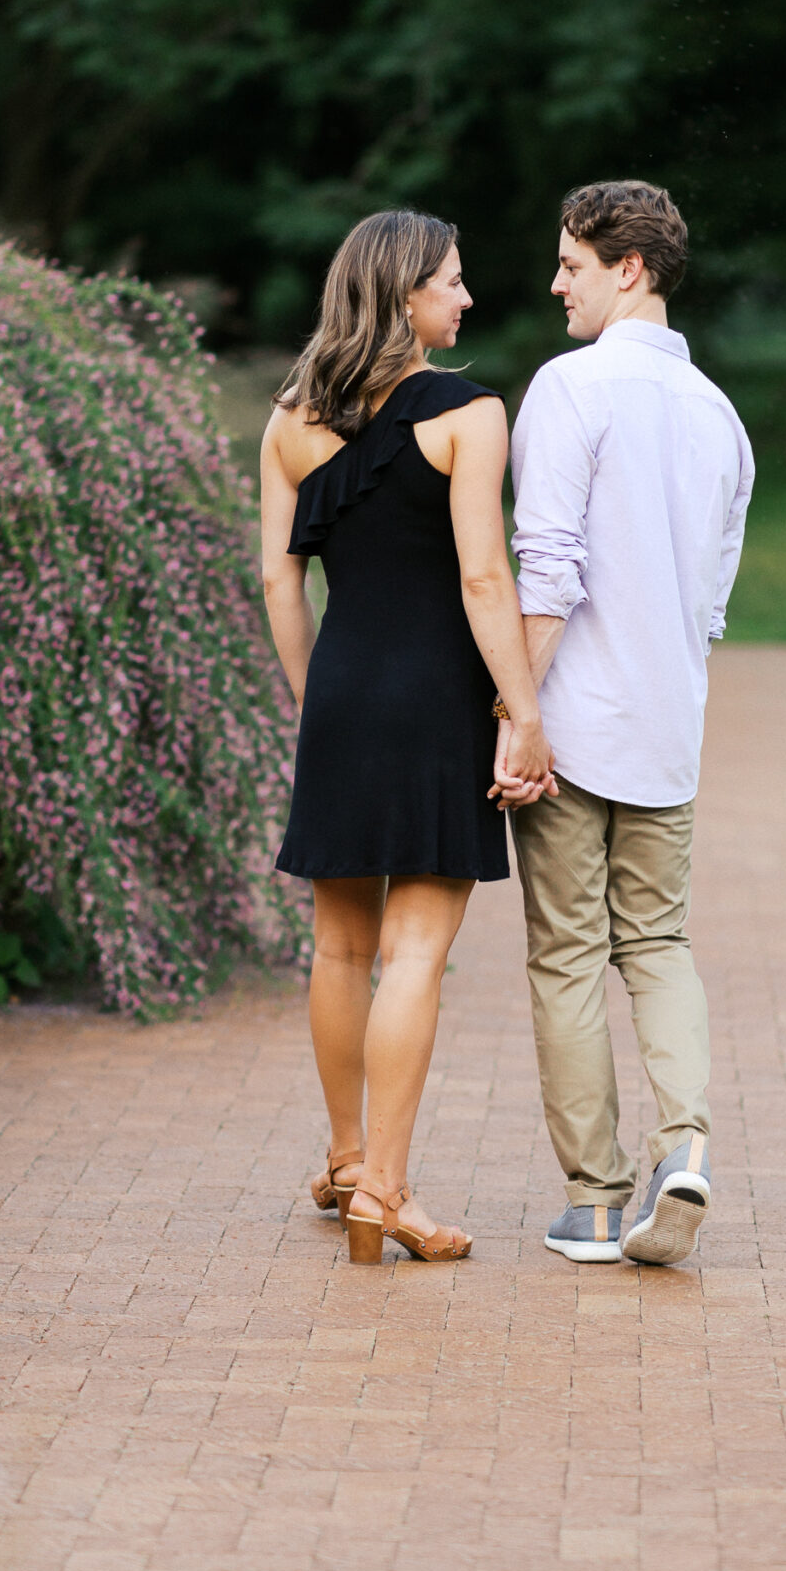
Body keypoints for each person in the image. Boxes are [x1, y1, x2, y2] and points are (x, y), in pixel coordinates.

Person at [261, 210, 552, 1266]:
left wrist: (315, 702)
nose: (465, 299)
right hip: (435, 699)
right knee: (414, 952)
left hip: (340, 694)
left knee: (338, 945)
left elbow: (278, 581)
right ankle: (386, 1189)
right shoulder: (471, 414)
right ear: (403, 294)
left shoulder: (289, 421)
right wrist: (523, 711)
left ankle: (345, 1163)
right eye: (451, 282)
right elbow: (484, 577)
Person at [498, 181, 754, 1267]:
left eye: (571, 263)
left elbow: (547, 571)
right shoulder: (721, 418)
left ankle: (600, 1200)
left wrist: (516, 714)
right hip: (667, 729)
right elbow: (709, 609)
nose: (556, 282)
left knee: (565, 955)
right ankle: (683, 1141)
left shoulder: (569, 387)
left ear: (629, 267)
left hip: (567, 728)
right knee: (658, 942)